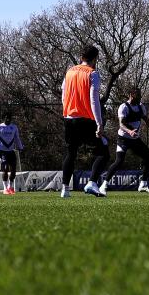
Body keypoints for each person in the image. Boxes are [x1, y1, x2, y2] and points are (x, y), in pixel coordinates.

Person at [60, 45, 110, 199]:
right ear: (95, 58)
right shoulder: (92, 73)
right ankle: (92, 182)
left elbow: (63, 93)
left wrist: (67, 110)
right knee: (104, 151)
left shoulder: (69, 72)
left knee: (71, 153)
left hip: (69, 118)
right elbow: (93, 100)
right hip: (85, 119)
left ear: (81, 57)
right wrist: (99, 123)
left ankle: (65, 190)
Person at [100, 86, 149, 195]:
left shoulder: (141, 107)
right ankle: (103, 185)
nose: (139, 98)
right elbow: (121, 124)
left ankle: (143, 184)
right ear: (131, 95)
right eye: (137, 95)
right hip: (123, 139)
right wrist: (130, 131)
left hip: (135, 140)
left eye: (140, 95)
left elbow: (147, 121)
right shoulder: (124, 107)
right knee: (119, 162)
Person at [0, 108, 24, 195]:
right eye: (6, 117)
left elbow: (17, 138)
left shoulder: (14, 127)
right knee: (5, 169)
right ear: (3, 118)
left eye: (9, 117)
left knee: (13, 171)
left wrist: (20, 147)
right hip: (2, 151)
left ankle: (10, 187)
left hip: (11, 151)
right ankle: (5, 188)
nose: (8, 119)